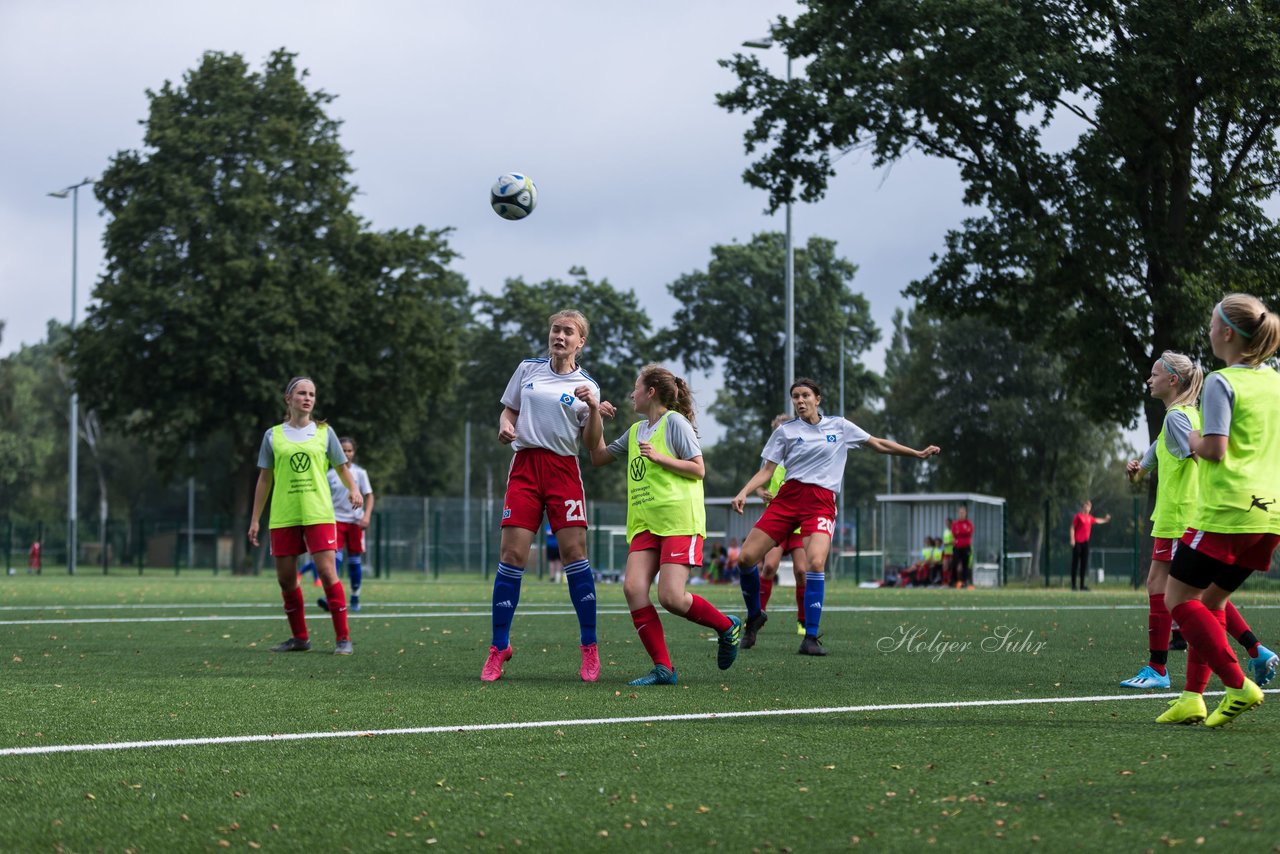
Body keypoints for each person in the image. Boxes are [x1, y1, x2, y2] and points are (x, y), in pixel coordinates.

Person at [731, 378, 940, 655]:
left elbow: (877, 443)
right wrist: (745, 491)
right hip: (787, 499)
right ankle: (755, 614)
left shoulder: (840, 426)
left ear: (818, 398)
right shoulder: (785, 432)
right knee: (746, 558)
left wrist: (916, 453)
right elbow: (767, 471)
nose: (800, 401)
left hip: (820, 502)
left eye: (805, 395)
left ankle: (810, 637)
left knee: (814, 564)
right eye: (795, 397)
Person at [1156, 294, 1280, 726]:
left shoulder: (1221, 381)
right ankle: (1193, 697)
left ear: (1227, 333)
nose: (1208, 332)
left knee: (1176, 598)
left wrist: (1189, 439)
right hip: (1270, 516)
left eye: (1212, 324)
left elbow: (1213, 448)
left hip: (1227, 511)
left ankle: (1238, 685)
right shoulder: (1276, 382)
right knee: (1210, 603)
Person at [1121, 352, 1278, 691]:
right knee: (1197, 592)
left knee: (1178, 592)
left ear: (1172, 380)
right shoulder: (1179, 418)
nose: (1149, 380)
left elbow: (1202, 461)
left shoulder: (1178, 418)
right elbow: (1147, 465)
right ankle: (1255, 649)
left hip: (1181, 518)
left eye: (1155, 374)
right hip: (1174, 518)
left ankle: (1160, 669)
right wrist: (1135, 471)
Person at [589, 364, 741, 685]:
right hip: (645, 522)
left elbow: (698, 469)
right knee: (632, 588)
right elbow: (598, 456)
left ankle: (727, 627)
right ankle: (664, 669)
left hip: (678, 521)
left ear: (651, 392)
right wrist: (594, 414)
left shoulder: (675, 423)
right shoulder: (635, 431)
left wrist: (660, 458)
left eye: (636, 388)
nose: (632, 394)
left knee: (671, 597)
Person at [483, 309, 613, 682]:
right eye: (556, 329)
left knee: (575, 555)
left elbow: (592, 445)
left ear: (580, 342)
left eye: (568, 332)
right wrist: (506, 426)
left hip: (563, 471)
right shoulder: (527, 369)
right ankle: (498, 647)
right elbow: (508, 412)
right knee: (512, 555)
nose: (559, 336)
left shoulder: (588, 385)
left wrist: (592, 408)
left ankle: (589, 648)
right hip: (524, 467)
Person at [248, 377, 362, 655]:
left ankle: (343, 638)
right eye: (301, 393)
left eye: (311, 394)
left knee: (327, 572)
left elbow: (342, 467)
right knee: (286, 580)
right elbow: (265, 479)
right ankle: (300, 638)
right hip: (284, 515)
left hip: (318, 513)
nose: (307, 398)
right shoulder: (272, 436)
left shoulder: (325, 432)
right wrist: (254, 519)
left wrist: (354, 489)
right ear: (289, 398)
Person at [741, 414, 808, 649]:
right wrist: (760, 493)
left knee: (802, 571)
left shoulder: (802, 454)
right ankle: (758, 616)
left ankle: (803, 619)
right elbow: (760, 483)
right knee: (769, 567)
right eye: (777, 431)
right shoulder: (770, 459)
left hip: (798, 525)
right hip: (777, 524)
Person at [314, 437, 375, 613]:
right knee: (334, 560)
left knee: (355, 561)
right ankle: (332, 597)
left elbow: (369, 495)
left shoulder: (360, 473)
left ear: (354, 452)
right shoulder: (329, 475)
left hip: (355, 522)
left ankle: (355, 596)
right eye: (343, 450)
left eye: (349, 450)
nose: (346, 454)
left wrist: (367, 516)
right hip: (335, 521)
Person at [1068, 500, 1111, 590]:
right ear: (1083, 507)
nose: (1087, 507)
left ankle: (1082, 586)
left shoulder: (1090, 518)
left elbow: (1097, 520)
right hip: (1077, 542)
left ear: (1090, 508)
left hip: (1085, 543)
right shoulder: (1078, 516)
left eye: (1089, 506)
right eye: (1086, 505)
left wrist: (1105, 520)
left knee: (1084, 564)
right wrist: (1072, 539)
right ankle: (1073, 585)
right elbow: (1072, 527)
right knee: (1075, 564)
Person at [949, 506, 975, 589]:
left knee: (965, 565)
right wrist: (961, 533)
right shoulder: (955, 524)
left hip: (966, 547)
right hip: (957, 547)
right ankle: (953, 582)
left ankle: (965, 581)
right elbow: (954, 533)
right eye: (960, 512)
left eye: (963, 512)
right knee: (954, 564)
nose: (961, 514)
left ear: (965, 513)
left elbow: (968, 533)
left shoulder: (969, 523)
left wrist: (960, 532)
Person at [940, 519, 954, 586]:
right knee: (945, 566)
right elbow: (944, 541)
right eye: (946, 523)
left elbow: (955, 541)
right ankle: (945, 582)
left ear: (951, 523)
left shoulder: (954, 530)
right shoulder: (945, 531)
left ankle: (951, 582)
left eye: (948, 523)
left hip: (952, 552)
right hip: (946, 552)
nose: (947, 524)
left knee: (951, 567)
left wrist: (948, 543)